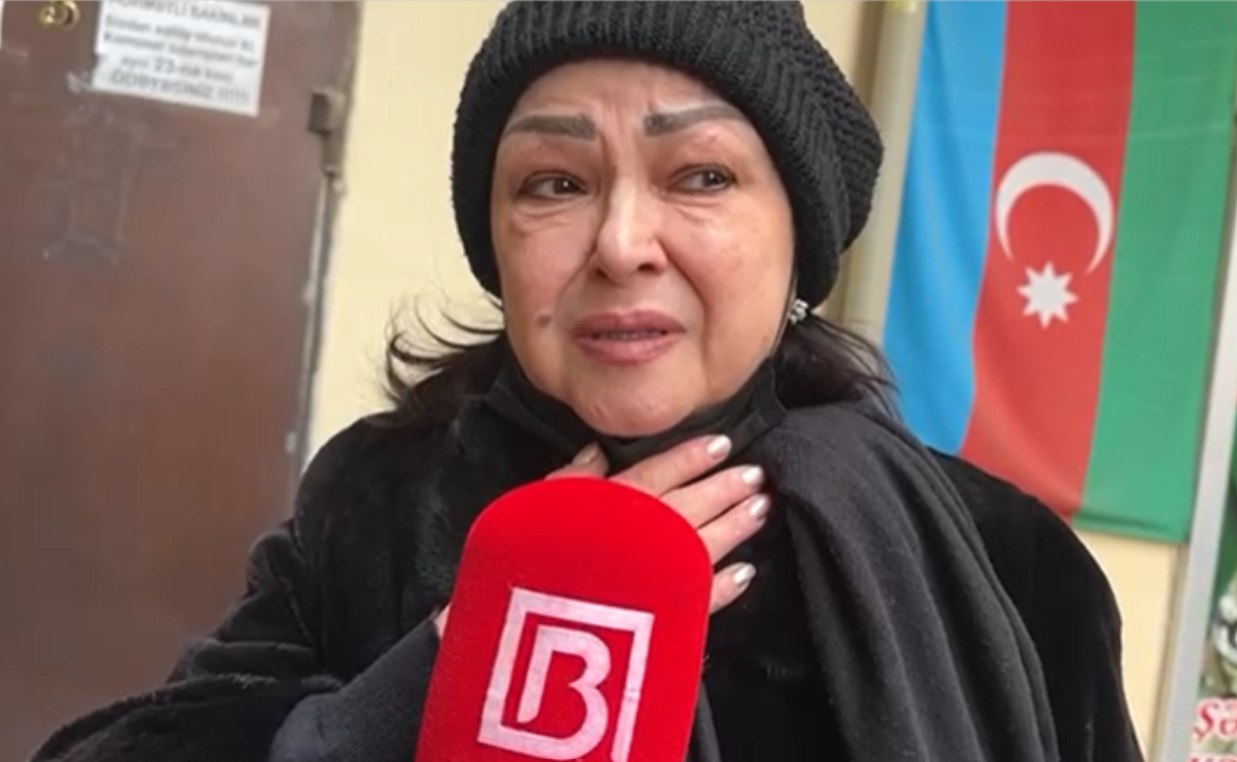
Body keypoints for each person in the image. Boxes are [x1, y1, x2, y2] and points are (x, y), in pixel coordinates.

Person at [31, 2, 1144, 761]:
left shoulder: (1001, 556)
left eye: (700, 176)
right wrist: (448, 669)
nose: (619, 244)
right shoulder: (378, 498)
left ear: (798, 237)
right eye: (554, 183)